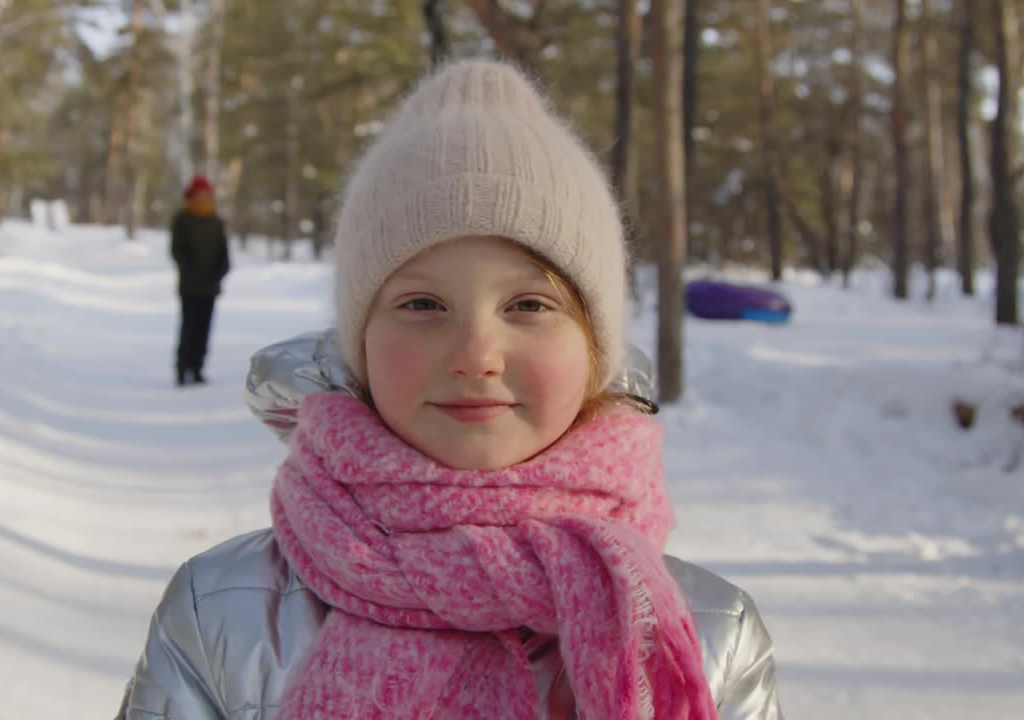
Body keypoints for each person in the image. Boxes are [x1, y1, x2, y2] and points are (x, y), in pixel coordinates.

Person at [121, 60, 782, 719]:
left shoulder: (708, 638)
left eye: (528, 305)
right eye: (422, 305)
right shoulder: (219, 616)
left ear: (594, 348)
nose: (475, 356)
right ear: (361, 343)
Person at [170, 175, 230, 386]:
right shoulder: (183, 218)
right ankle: (182, 367)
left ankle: (197, 368)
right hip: (189, 286)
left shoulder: (215, 220)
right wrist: (192, 272)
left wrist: (218, 273)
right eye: (199, 194)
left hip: (210, 287)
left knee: (204, 329)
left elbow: (224, 253)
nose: (203, 198)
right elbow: (177, 250)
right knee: (188, 327)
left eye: (206, 194)